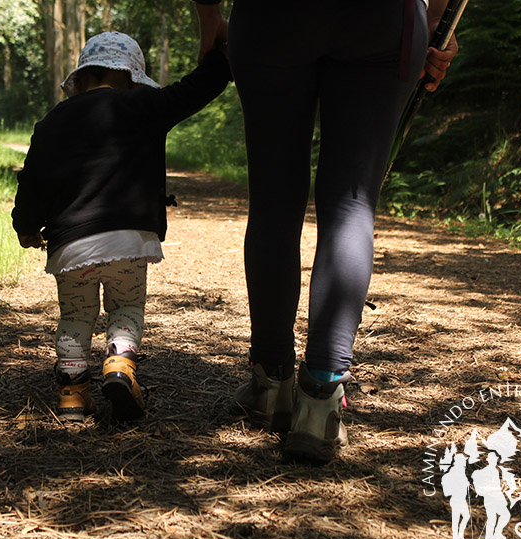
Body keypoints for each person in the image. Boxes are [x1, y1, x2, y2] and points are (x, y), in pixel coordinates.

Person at [193, 0, 459, 461]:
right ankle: (320, 402)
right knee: (352, 201)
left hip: (273, 19)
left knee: (275, 198)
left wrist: (210, 18)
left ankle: (270, 385)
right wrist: (437, 20)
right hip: (386, 20)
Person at [12, 31, 231, 422]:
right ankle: (119, 367)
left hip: (71, 246)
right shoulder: (147, 104)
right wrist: (221, 54)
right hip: (130, 241)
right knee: (126, 306)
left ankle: (73, 395)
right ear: (132, 77)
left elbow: (32, 181)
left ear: (79, 80)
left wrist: (26, 227)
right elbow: (199, 88)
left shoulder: (50, 123)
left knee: (75, 316)